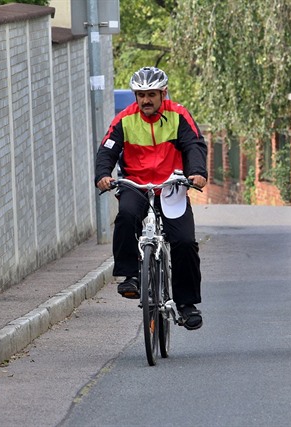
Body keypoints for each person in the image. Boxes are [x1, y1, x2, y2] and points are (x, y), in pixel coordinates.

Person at [95, 66, 207, 330]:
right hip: (135, 184)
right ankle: (130, 276)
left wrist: (197, 173)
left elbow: (194, 145)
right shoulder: (124, 119)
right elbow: (107, 149)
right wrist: (103, 174)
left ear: (163, 94)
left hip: (171, 185)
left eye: (152, 94)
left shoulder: (178, 115)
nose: (145, 100)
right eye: (141, 95)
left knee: (184, 241)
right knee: (126, 216)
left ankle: (187, 304)